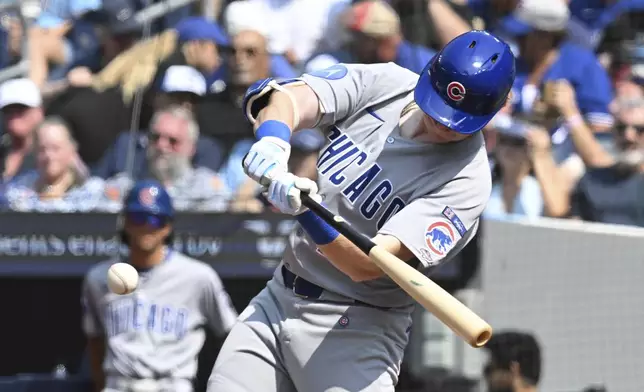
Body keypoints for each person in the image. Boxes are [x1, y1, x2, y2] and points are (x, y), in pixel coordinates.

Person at [208, 30, 516, 391]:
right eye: (438, 105)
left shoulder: (468, 181)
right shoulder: (387, 84)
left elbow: (366, 264)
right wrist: (275, 139)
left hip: (357, 326)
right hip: (279, 297)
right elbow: (287, 98)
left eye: (456, 120)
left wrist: (305, 212)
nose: (441, 122)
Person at [82, 180, 238, 392]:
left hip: (172, 385)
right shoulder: (99, 277)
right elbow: (95, 342)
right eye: (138, 218)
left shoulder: (198, 277)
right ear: (126, 222)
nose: (146, 226)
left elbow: (232, 335)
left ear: (167, 226)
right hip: (119, 385)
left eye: (155, 219)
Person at [102, 106, 230, 212]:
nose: (161, 146)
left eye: (173, 141)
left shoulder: (206, 187)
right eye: (155, 137)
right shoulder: (127, 185)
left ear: (191, 148)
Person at [3, 116, 103, 212]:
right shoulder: (18, 191)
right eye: (42, 149)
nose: (49, 156)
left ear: (71, 150)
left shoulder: (92, 192)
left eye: (56, 148)